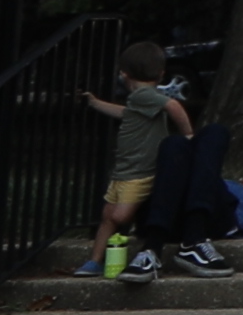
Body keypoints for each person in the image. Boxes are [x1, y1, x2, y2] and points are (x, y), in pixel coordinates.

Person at [76, 56, 182, 291]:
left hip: (139, 172)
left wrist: (188, 135)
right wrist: (96, 103)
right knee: (108, 215)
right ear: (161, 74)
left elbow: (172, 105)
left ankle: (99, 258)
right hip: (125, 171)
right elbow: (125, 113)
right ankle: (94, 261)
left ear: (124, 74)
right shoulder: (139, 100)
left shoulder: (145, 95)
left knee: (118, 216)